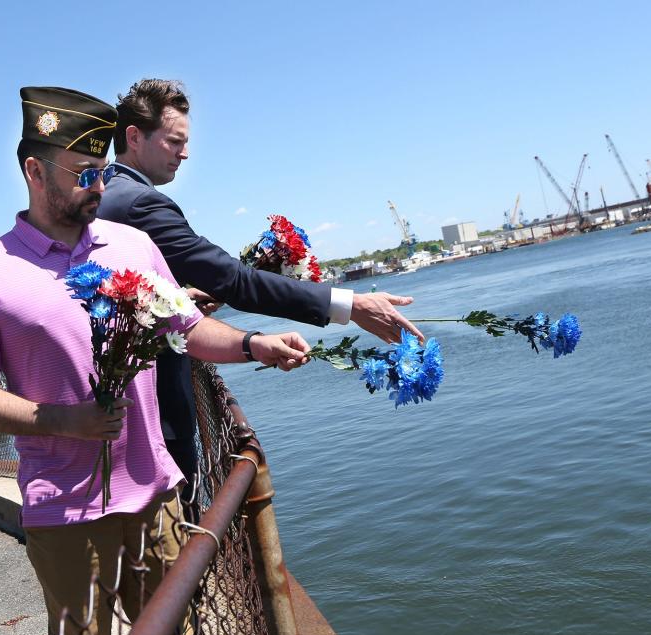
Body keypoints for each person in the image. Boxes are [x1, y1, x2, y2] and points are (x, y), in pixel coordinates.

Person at [0, 86, 310, 635]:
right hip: (64, 508)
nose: (97, 186)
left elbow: (185, 329)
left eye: (100, 171)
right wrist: (68, 421)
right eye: (82, 174)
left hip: (155, 494)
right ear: (34, 171)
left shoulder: (133, 244)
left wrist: (255, 344)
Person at [98, 79, 424, 484]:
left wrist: (178, 297)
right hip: (148, 427)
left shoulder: (108, 194)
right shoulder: (140, 202)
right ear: (134, 136)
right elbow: (234, 279)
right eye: (174, 141)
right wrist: (350, 305)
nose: (185, 152)